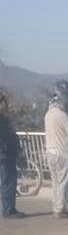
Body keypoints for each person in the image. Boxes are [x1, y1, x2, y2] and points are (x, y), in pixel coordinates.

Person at [44, 80, 68, 218]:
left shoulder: (48, 115)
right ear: (62, 104)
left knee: (55, 182)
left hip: (50, 151)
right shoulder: (63, 116)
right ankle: (61, 209)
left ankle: (56, 207)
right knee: (63, 182)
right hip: (62, 153)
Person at [0, 88, 25, 219]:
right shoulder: (2, 119)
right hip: (5, 154)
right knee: (8, 181)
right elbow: (6, 136)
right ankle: (8, 210)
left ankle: (10, 208)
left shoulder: (4, 118)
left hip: (7, 153)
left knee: (9, 181)